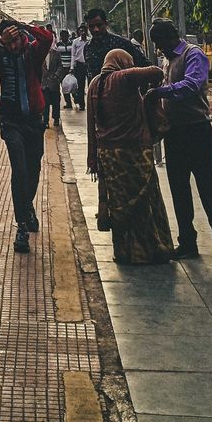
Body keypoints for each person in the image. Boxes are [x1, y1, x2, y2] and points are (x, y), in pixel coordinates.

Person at [145, 20, 212, 262]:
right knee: (179, 187)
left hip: (196, 130)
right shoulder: (167, 60)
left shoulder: (192, 54)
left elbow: (193, 84)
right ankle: (187, 242)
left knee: (208, 187)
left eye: (161, 42)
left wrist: (161, 92)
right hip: (175, 132)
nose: (159, 48)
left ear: (172, 36)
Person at [86, 49, 174, 264]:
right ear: (123, 63)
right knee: (143, 201)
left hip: (107, 154)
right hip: (133, 151)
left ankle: (124, 251)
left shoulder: (94, 84)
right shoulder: (123, 77)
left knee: (119, 204)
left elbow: (90, 125)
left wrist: (93, 157)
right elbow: (155, 72)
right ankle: (149, 250)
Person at [0, 18, 52, 255]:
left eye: (15, 39)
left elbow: (46, 38)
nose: (13, 45)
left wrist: (24, 26)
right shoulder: (0, 55)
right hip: (11, 122)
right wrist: (0, 44)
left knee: (33, 169)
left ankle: (27, 206)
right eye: (8, 41)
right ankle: (21, 224)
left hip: (34, 121)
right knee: (19, 170)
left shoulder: (33, 53)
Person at [84, 7, 148, 81]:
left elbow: (144, 65)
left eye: (99, 25)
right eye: (91, 26)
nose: (96, 29)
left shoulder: (121, 43)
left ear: (106, 23)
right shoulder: (88, 48)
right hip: (98, 91)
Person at [42, 43, 65, 128]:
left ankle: (56, 118)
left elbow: (60, 66)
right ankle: (45, 120)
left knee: (56, 101)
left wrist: (57, 75)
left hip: (54, 81)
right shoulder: (40, 53)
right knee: (45, 102)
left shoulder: (56, 53)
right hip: (44, 82)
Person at [70, 24, 89, 110]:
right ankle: (82, 104)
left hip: (88, 65)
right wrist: (72, 67)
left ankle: (91, 104)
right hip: (79, 65)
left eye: (84, 30)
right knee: (80, 86)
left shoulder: (90, 41)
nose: (83, 32)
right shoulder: (76, 42)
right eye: (81, 31)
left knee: (91, 84)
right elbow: (73, 55)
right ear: (79, 32)